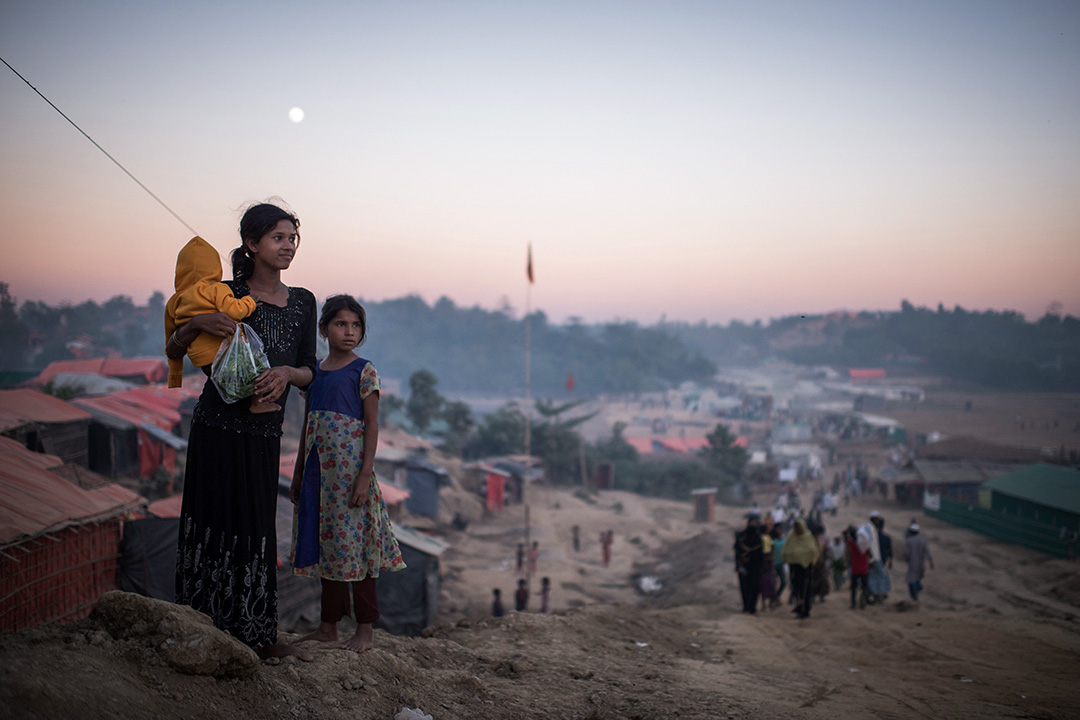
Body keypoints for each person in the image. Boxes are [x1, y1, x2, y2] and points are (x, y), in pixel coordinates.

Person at [171, 202, 316, 660]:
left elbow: (310, 367)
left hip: (264, 432)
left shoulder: (303, 302)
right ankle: (199, 627)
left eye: (292, 237)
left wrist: (287, 375)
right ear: (252, 244)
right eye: (278, 237)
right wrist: (196, 322)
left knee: (256, 526)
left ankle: (257, 633)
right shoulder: (221, 292)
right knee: (212, 521)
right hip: (216, 425)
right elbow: (173, 345)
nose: (288, 245)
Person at [290, 294, 406, 652]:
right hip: (317, 477)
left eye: (356, 325)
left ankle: (365, 631)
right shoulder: (316, 374)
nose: (349, 331)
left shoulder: (364, 371)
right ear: (324, 329)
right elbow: (308, 427)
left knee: (358, 552)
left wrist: (363, 475)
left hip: (351, 479)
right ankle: (328, 627)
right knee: (328, 550)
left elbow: (372, 427)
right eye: (341, 324)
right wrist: (297, 473)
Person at [781, 518, 819, 619]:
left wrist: (802, 557)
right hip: (794, 568)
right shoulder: (791, 537)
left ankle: (805, 609)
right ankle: (799, 607)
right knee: (796, 588)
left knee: (805, 589)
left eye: (799, 527)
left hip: (806, 568)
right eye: (796, 527)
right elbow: (786, 552)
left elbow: (812, 551)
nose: (797, 529)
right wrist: (794, 557)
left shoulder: (808, 537)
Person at [734, 516, 764, 614]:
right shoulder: (742, 537)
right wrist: (739, 565)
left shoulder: (759, 539)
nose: (753, 526)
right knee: (744, 587)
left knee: (755, 587)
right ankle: (746, 606)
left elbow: (761, 554)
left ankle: (752, 607)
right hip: (743, 566)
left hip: (756, 568)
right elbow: (737, 552)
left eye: (755, 524)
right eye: (752, 524)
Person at [900, 522, 934, 601]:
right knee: (918, 578)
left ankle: (914, 596)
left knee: (911, 580)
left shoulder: (908, 541)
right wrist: (931, 562)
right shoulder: (923, 541)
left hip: (912, 564)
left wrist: (907, 560)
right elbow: (927, 552)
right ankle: (916, 593)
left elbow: (905, 553)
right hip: (921, 564)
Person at [867, 512, 893, 602]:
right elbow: (890, 551)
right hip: (882, 560)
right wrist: (890, 561)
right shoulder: (886, 537)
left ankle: (876, 595)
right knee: (881, 578)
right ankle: (880, 595)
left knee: (873, 578)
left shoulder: (869, 536)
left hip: (872, 561)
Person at [845, 525, 871, 609]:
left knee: (853, 588)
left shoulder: (851, 544)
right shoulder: (865, 546)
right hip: (864, 568)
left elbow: (846, 539)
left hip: (855, 569)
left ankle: (853, 604)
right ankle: (863, 597)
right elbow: (869, 554)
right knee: (865, 586)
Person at [770, 525, 787, 608]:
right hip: (772, 564)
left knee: (783, 582)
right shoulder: (771, 539)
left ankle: (776, 597)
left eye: (781, 528)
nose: (780, 530)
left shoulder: (784, 539)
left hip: (781, 563)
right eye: (779, 528)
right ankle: (774, 599)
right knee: (773, 583)